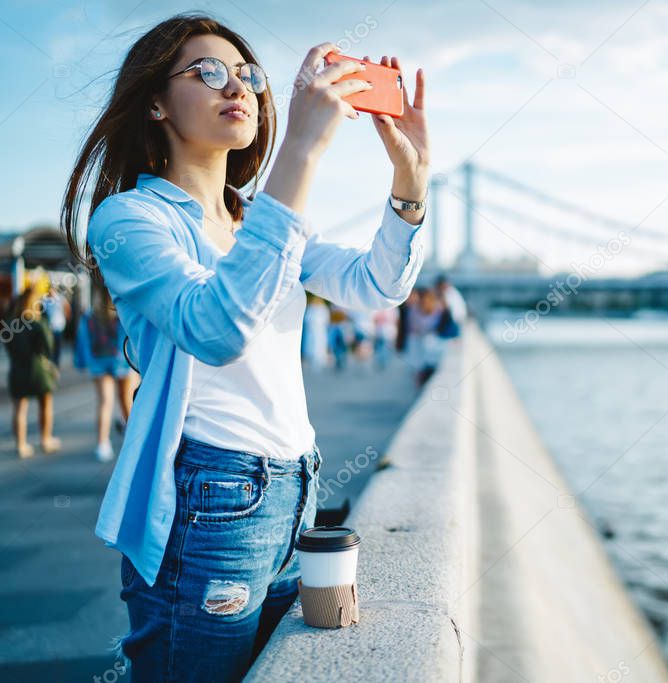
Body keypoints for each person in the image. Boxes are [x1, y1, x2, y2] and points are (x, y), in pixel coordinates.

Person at [59, 14, 430, 681]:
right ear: (154, 101)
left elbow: (376, 285)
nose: (239, 87)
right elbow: (217, 327)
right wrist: (302, 154)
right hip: (211, 500)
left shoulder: (258, 218)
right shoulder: (128, 220)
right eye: (208, 72)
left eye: (249, 75)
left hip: (297, 489)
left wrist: (411, 182)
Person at [73, 288, 140, 462]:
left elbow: (82, 340)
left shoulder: (89, 316)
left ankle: (102, 444)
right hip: (121, 362)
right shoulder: (120, 313)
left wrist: (81, 362)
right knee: (127, 402)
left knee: (104, 402)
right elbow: (130, 337)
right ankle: (135, 444)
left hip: (98, 362)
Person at [3, 285, 62, 458]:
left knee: (19, 408)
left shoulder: (10, 325)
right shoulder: (38, 324)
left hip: (17, 370)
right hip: (39, 370)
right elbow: (48, 348)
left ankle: (21, 445)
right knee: (45, 405)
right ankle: (46, 439)